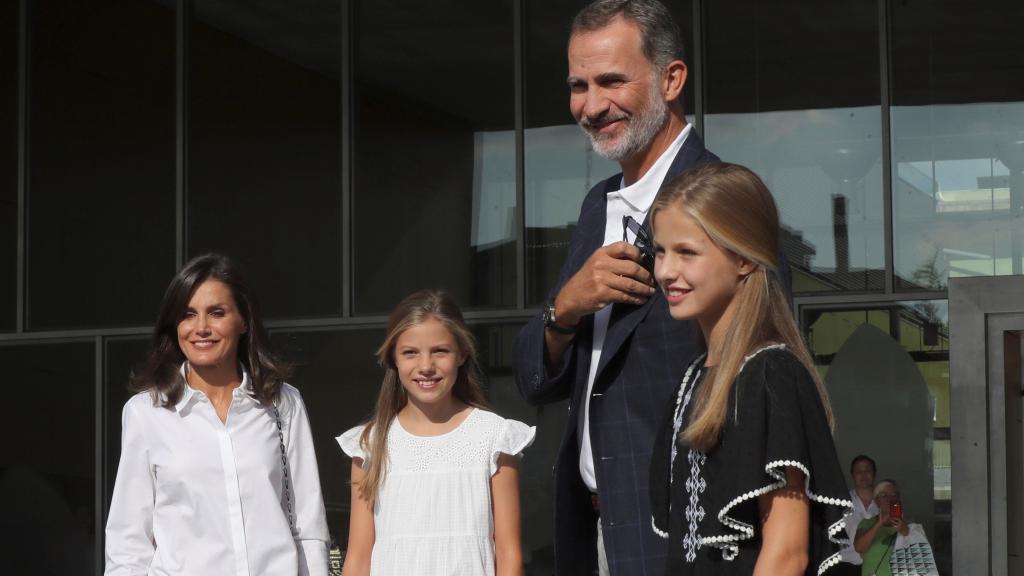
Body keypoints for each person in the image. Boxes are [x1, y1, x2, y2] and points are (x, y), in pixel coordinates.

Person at [512, 1, 719, 574]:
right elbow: (533, 378)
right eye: (578, 85)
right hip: (596, 531)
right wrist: (566, 308)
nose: (591, 105)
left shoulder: (723, 199)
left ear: (671, 79)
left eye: (611, 81)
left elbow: (763, 367)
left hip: (683, 533)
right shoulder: (595, 205)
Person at [647, 162, 852, 575]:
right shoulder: (691, 380)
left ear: (743, 259)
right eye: (660, 251)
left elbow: (786, 555)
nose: (666, 271)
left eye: (686, 252)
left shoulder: (772, 373)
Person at [105, 253, 330, 575]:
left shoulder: (282, 403)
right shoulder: (146, 413)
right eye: (187, 315)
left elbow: (308, 525)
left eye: (217, 313)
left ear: (243, 321)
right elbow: (128, 539)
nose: (201, 328)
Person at [338, 290, 536, 576]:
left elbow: (509, 554)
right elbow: (358, 557)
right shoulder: (369, 444)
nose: (426, 366)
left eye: (440, 351)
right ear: (393, 358)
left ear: (462, 354)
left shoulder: (495, 437)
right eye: (410, 353)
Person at [854, 480, 932, 576]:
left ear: (898, 499)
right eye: (883, 495)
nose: (889, 499)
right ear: (876, 501)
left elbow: (920, 548)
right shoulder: (867, 523)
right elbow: (859, 548)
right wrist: (878, 524)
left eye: (893, 495)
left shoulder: (909, 523)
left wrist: (905, 530)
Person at [835, 455, 880, 575]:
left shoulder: (888, 502)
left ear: (874, 474)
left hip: (878, 566)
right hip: (845, 565)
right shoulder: (841, 502)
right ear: (853, 475)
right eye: (858, 471)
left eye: (867, 470)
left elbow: (900, 527)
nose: (863, 475)